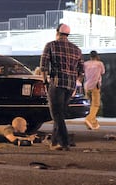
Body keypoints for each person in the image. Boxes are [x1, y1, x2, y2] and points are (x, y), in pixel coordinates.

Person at [40, 23, 84, 151]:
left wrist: (44, 81)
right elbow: (81, 71)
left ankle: (64, 142)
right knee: (60, 114)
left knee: (56, 114)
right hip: (70, 85)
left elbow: (43, 66)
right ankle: (54, 143)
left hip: (57, 82)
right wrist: (76, 83)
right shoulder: (76, 49)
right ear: (68, 34)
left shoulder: (51, 45)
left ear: (57, 32)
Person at [83, 50, 105, 130]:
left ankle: (94, 124)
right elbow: (102, 72)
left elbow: (82, 73)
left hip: (86, 86)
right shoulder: (99, 64)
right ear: (97, 56)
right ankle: (88, 119)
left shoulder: (85, 64)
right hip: (95, 86)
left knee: (90, 105)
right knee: (96, 105)